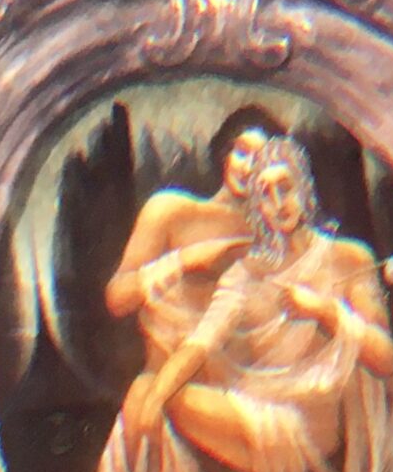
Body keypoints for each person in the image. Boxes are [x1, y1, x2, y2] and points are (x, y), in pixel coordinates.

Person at [36, 135, 393, 472]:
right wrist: (153, 396)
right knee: (155, 394)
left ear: (305, 189)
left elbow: (386, 359)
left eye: (286, 188)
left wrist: (326, 312)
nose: (279, 203)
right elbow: (201, 343)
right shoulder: (246, 273)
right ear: (255, 207)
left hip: (310, 424)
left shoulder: (348, 258)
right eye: (266, 194)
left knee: (161, 399)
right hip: (256, 408)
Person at [103, 105, 285, 369]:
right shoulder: (171, 210)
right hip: (166, 381)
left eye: (262, 160)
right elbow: (117, 299)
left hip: (245, 383)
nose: (248, 168)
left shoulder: (275, 234)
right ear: (225, 153)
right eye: (242, 152)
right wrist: (183, 261)